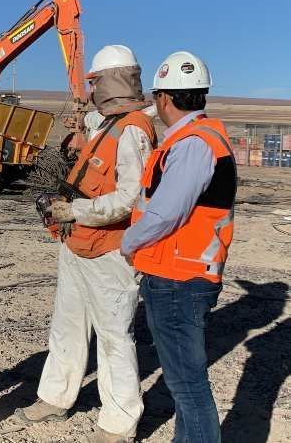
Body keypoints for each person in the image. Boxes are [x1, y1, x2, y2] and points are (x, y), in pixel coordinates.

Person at [18, 45, 156, 443]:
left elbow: (131, 198)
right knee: (67, 326)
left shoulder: (132, 130)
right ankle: (55, 398)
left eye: (94, 82)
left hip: (109, 250)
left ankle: (119, 422)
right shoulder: (109, 123)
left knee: (114, 337)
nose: (90, 89)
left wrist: (75, 210)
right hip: (78, 243)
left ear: (109, 82)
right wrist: (77, 127)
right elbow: (89, 126)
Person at [121, 51, 236, 443]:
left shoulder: (192, 145)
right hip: (185, 272)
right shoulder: (203, 138)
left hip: (178, 277)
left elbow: (165, 213)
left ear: (164, 99)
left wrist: (128, 242)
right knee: (184, 382)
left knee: (187, 385)